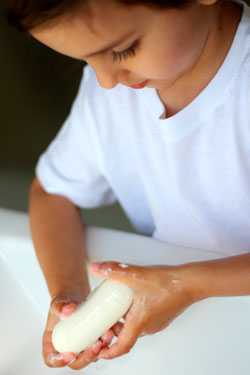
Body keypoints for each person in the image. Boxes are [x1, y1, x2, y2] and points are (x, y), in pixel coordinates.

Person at [5, 0, 250, 371]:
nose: (105, 79)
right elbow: (53, 193)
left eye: (122, 50)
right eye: (87, 60)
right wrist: (68, 293)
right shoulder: (113, 90)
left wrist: (188, 285)